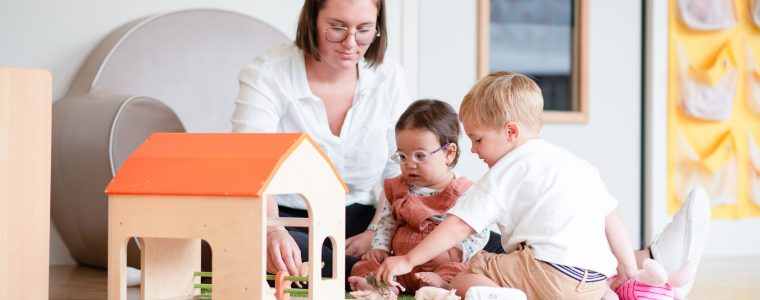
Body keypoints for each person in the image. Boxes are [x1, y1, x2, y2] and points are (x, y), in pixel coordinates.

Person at [375, 71, 711, 299]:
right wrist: (627, 270)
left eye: (477, 139)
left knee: (470, 270)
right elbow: (613, 219)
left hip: (547, 274)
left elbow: (458, 226)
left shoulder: (508, 169)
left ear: (511, 132)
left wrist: (406, 261)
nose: (474, 150)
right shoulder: (578, 164)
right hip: (593, 285)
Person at [230, 0, 409, 286]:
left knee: (443, 235)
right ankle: (379, 273)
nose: (351, 43)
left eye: (364, 30)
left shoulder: (389, 76)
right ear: (312, 20)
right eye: (337, 28)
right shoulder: (267, 74)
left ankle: (366, 270)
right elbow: (250, 168)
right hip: (287, 219)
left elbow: (400, 170)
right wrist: (272, 230)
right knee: (286, 251)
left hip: (362, 218)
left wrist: (376, 234)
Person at [348, 100, 490, 295]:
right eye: (403, 156)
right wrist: (380, 247)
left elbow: (479, 232)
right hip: (399, 263)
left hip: (438, 265)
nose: (410, 165)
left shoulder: (463, 191)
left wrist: (452, 254)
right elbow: (387, 221)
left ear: (448, 153)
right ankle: (385, 286)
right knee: (365, 266)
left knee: (462, 272)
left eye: (420, 156)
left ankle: (441, 286)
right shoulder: (399, 187)